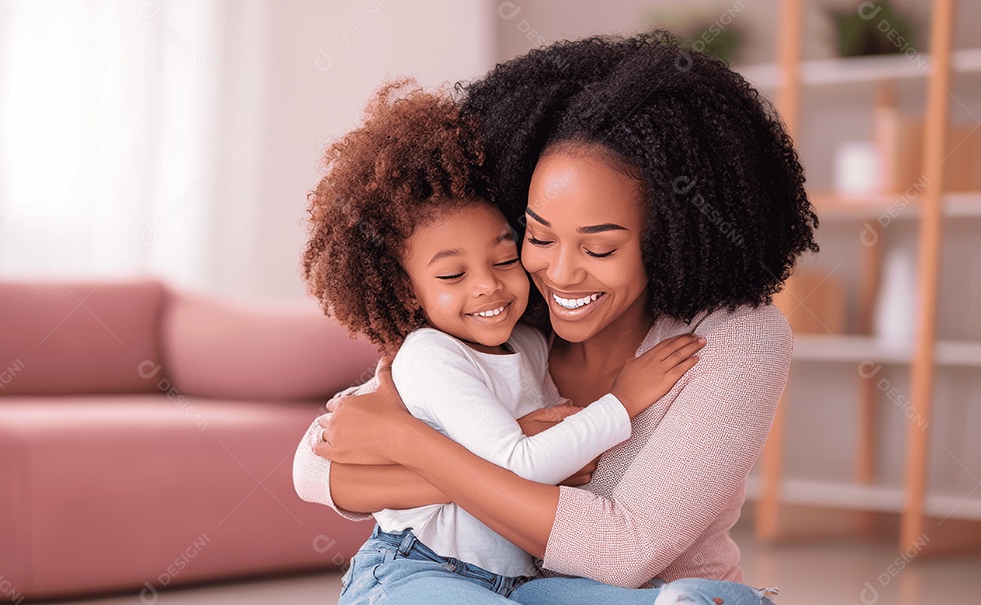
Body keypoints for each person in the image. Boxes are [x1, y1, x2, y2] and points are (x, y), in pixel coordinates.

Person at [295, 32, 817, 605]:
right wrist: (492, 464)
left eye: (599, 250)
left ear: (668, 240)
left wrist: (409, 442)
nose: (561, 274)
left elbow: (624, 550)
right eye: (538, 236)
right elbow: (319, 462)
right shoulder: (509, 315)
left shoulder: (733, 339)